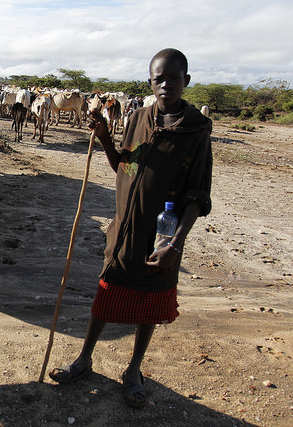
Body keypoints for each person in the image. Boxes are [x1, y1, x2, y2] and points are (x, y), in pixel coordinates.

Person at [48, 48, 213, 408]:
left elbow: (197, 194)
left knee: (150, 303)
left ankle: (134, 369)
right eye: (158, 79)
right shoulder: (138, 116)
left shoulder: (197, 130)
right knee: (107, 293)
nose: (165, 85)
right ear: (149, 82)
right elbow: (123, 165)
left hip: (162, 234)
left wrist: (176, 244)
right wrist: (105, 135)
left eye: (173, 78)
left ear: (187, 80)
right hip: (124, 228)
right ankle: (84, 358)